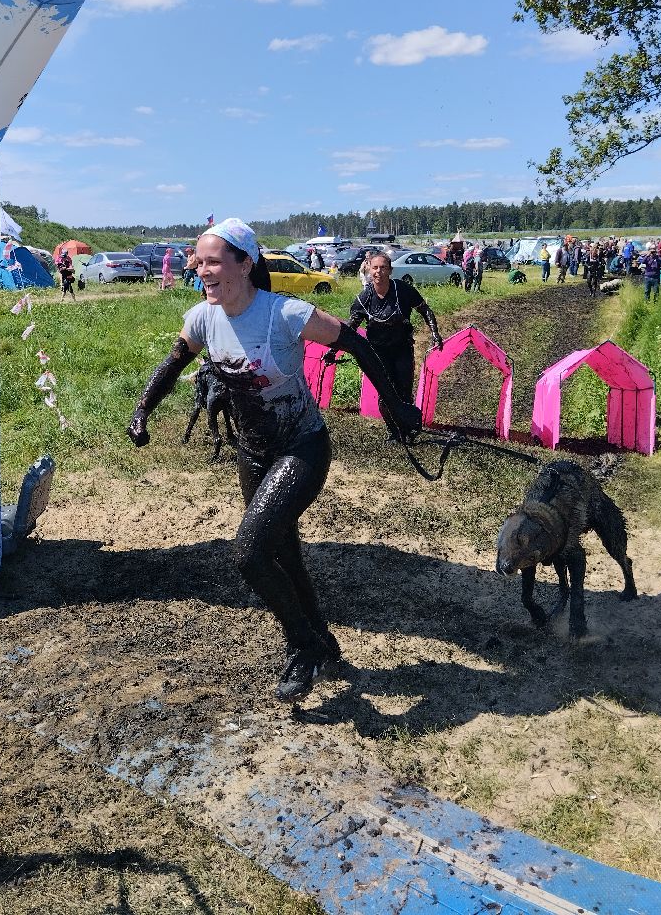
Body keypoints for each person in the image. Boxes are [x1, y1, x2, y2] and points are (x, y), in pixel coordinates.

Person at [127, 218, 421, 704]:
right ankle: (323, 640)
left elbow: (358, 344)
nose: (203, 271)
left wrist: (396, 405)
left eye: (214, 261)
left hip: (301, 447)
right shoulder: (203, 316)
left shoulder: (284, 314)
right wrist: (141, 410)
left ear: (246, 263)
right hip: (254, 453)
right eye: (199, 262)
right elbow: (175, 361)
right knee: (284, 555)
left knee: (250, 554)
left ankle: (301, 646)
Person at [345, 251, 443, 407]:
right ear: (369, 270)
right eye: (375, 267)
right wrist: (333, 349)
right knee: (386, 394)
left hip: (402, 348)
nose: (379, 272)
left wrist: (435, 333)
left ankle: (408, 427)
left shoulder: (403, 290)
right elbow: (350, 327)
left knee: (404, 391)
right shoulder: (363, 298)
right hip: (378, 352)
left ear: (390, 270)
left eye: (383, 267)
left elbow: (425, 310)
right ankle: (393, 430)